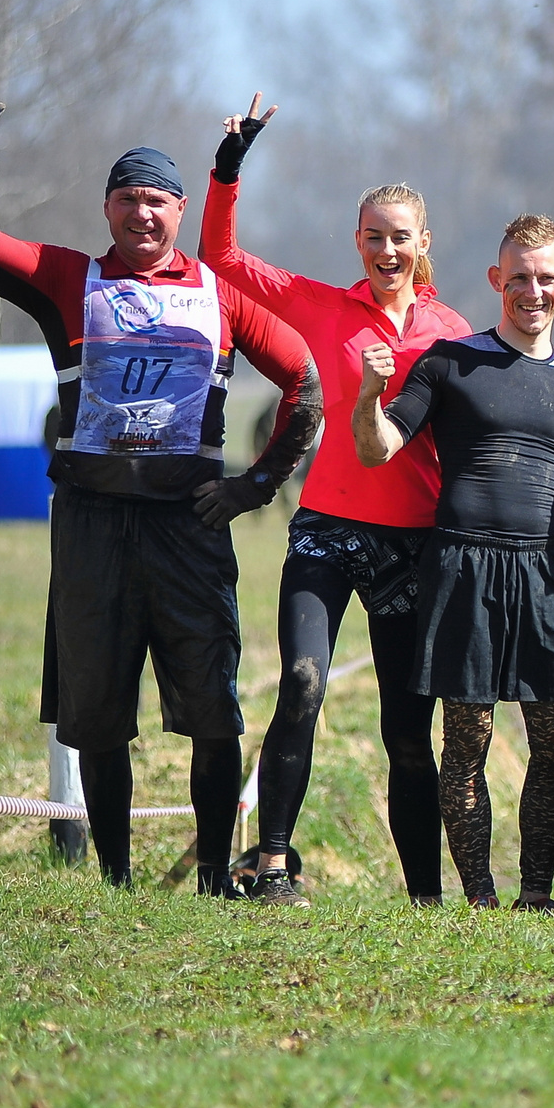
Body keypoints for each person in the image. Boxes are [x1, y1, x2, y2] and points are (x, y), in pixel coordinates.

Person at [0, 64, 322, 895]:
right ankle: (114, 880)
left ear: (179, 213)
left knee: (214, 713)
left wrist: (254, 487)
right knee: (98, 720)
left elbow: (306, 384)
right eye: (128, 197)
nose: (144, 211)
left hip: (189, 525)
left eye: (159, 200)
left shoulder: (220, 296)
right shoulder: (71, 280)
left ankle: (216, 875)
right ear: (107, 208)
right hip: (92, 526)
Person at [199, 96, 495, 905]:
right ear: (356, 242)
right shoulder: (324, 306)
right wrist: (229, 169)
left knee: (407, 733)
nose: (387, 249)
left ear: (423, 244)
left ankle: (425, 897)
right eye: (374, 236)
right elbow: (219, 254)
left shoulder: (455, 332)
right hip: (327, 529)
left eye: (401, 236)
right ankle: (272, 863)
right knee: (301, 680)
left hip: (413, 542)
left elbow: (480, 435)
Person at [354, 215, 554, 911]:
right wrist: (370, 396)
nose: (532, 290)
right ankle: (482, 899)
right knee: (468, 740)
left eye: (545, 277)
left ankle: (535, 894)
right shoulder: (450, 363)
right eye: (518, 277)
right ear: (497, 280)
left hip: (545, 574)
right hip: (461, 570)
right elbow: (379, 448)